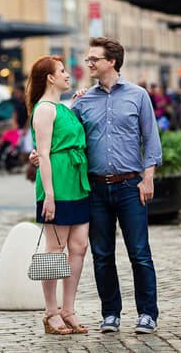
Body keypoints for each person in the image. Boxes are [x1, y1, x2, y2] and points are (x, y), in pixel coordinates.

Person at [71, 37, 163, 334]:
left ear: (112, 61)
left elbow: (151, 140)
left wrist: (147, 178)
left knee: (139, 252)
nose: (89, 63)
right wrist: (39, 154)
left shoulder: (138, 96)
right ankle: (111, 313)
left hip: (129, 186)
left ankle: (147, 314)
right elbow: (67, 138)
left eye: (94, 59)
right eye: (88, 59)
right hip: (96, 189)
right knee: (102, 255)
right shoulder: (83, 101)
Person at [27, 55, 91, 336]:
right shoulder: (44, 109)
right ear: (50, 78)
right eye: (62, 71)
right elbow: (43, 153)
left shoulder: (64, 107)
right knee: (55, 250)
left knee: (79, 246)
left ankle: (69, 309)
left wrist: (79, 102)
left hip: (77, 181)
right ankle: (50, 312)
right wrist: (49, 195)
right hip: (57, 184)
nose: (68, 74)